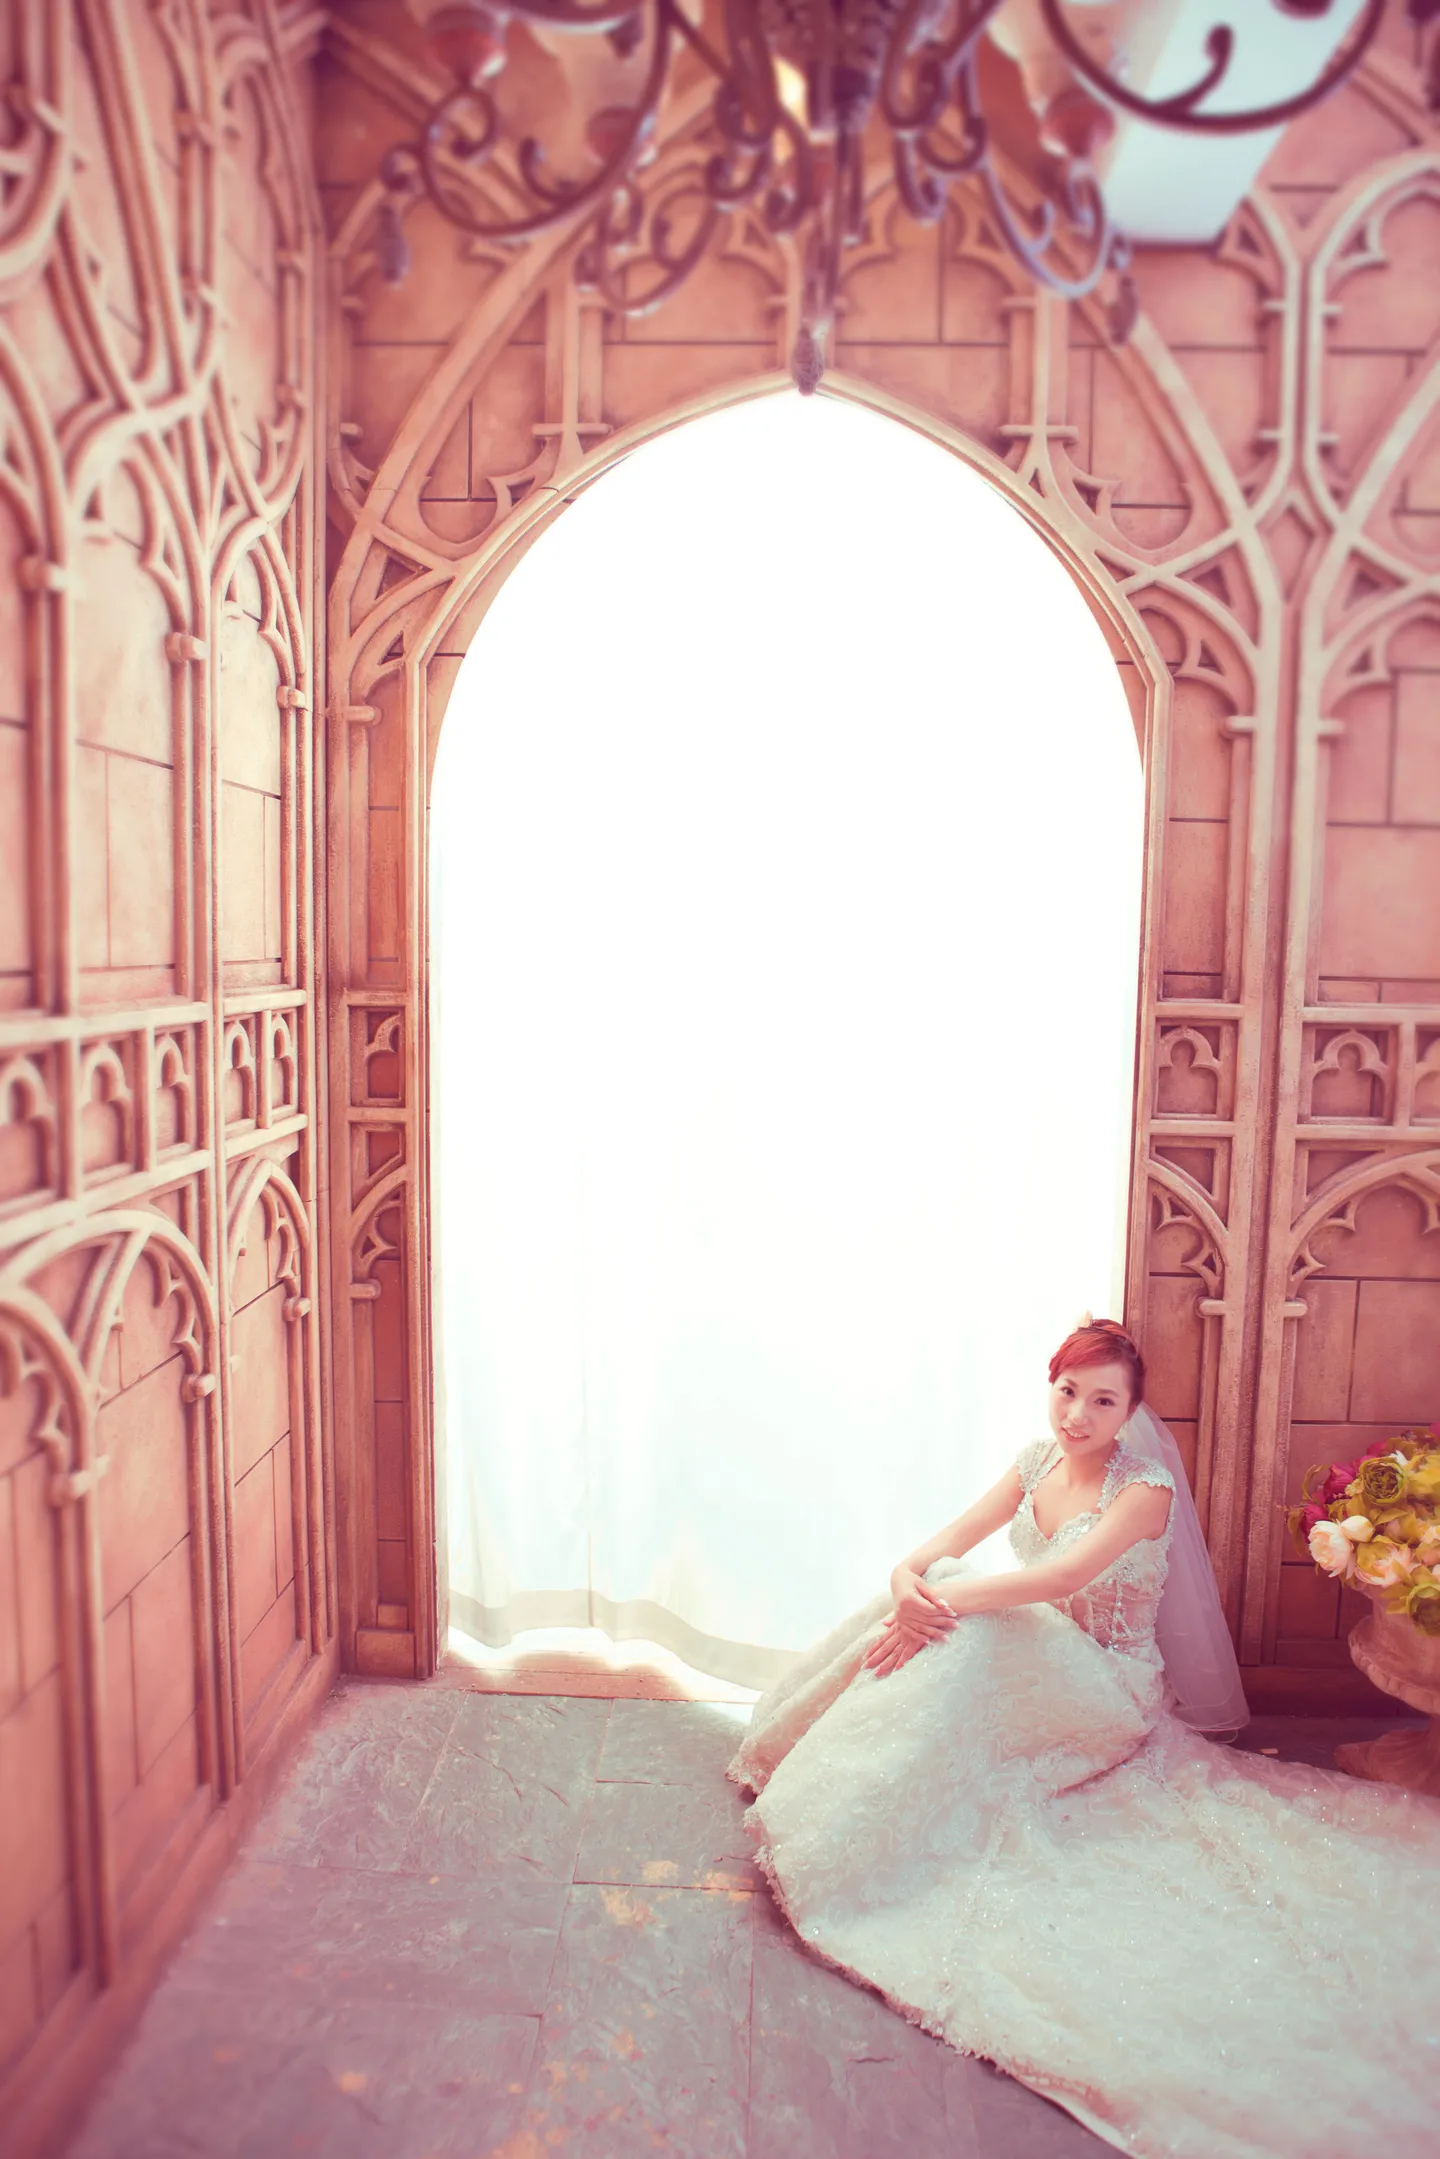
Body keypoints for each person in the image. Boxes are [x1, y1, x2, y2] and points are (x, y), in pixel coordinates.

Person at [727, 1318, 1439, 2157]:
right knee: (949, 1592)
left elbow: (1060, 1577)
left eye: (1104, 1401)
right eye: (1069, 1391)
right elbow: (939, 1548)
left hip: (1108, 1685)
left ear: (1131, 1412)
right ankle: (830, 1772)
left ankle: (855, 1819)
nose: (1078, 1414)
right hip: (1041, 1654)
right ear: (1051, 1386)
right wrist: (905, 1584)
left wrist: (937, 1603)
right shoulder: (1035, 1461)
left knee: (964, 1619)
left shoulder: (1143, 1491)